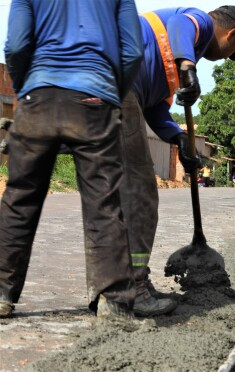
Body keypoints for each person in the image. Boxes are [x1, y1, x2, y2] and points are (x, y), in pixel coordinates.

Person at [0, 0, 143, 319]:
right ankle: (114, 298)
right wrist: (110, 94)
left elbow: (17, 44)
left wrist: (27, 88)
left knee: (19, 196)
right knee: (103, 200)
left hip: (39, 93)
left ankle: (1, 292)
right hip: (95, 97)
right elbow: (133, 51)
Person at [117, 6, 235, 316]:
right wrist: (188, 65)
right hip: (116, 82)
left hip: (127, 91)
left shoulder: (171, 63)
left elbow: (155, 110)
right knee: (140, 195)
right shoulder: (199, 23)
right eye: (233, 51)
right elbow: (181, 24)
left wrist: (177, 137)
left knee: (116, 196)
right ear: (233, 36)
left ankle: (117, 286)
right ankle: (132, 287)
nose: (226, 55)